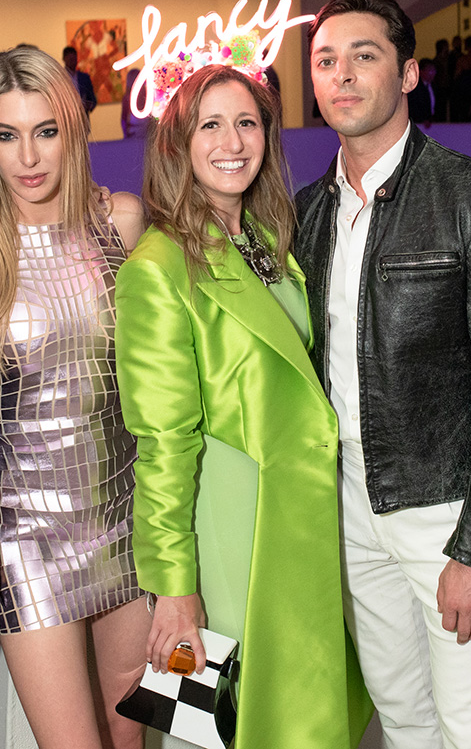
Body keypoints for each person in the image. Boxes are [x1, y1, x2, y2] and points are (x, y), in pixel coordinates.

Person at [299, 0, 471, 748]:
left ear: (409, 73)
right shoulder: (307, 212)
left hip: (443, 512)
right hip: (347, 511)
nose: (343, 75)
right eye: (326, 60)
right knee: (404, 718)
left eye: (364, 56)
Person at [116, 63, 372, 748]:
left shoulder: (266, 242)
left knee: (301, 715)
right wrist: (174, 586)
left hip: (294, 515)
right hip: (231, 529)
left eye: (247, 123)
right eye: (211, 125)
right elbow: (162, 442)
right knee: (235, 725)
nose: (232, 142)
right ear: (179, 144)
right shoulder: (158, 267)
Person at [0, 45, 150, 749]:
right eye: (7, 134)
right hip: (27, 537)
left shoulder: (121, 220)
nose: (28, 157)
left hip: (128, 515)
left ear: (74, 129)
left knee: (133, 735)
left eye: (46, 131)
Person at [63, 45, 98, 113]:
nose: (73, 62)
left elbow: (92, 100)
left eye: (74, 59)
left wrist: (88, 105)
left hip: (82, 115)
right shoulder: (60, 77)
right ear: (64, 59)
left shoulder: (84, 77)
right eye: (70, 59)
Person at [120, 67, 150, 138]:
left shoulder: (147, 95)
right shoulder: (147, 95)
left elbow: (123, 118)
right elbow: (124, 118)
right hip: (140, 131)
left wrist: (125, 133)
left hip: (139, 130)